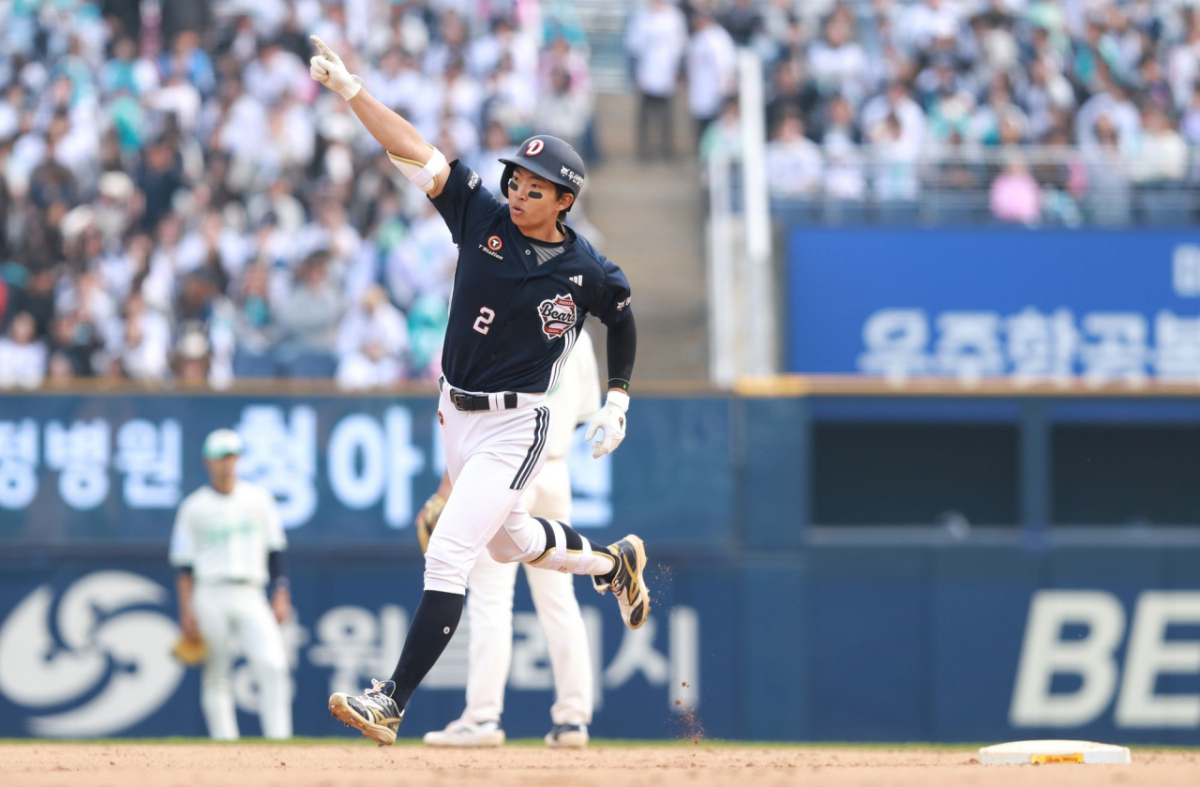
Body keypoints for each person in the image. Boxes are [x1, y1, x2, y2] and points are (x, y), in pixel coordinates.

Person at [308, 35, 648, 746]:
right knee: (514, 541)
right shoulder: (482, 216)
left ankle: (391, 700)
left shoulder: (585, 268)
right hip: (455, 412)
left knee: (449, 556)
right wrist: (352, 91)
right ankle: (612, 562)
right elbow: (414, 151)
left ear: (565, 200)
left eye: (534, 186)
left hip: (517, 426)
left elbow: (621, 316)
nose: (518, 191)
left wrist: (617, 397)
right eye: (516, 178)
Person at [419, 329, 601, 749]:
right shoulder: (581, 335)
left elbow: (478, 418)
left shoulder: (511, 317)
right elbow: (582, 416)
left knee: (490, 599)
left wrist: (449, 486)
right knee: (559, 601)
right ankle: (573, 719)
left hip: (507, 466)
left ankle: (483, 717)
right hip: (554, 469)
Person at [169, 429, 293, 740]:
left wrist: (281, 591)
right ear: (207, 462)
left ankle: (280, 741)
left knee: (273, 665)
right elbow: (184, 566)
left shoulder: (259, 498)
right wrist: (186, 611)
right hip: (210, 591)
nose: (227, 464)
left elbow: (275, 550)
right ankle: (225, 745)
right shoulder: (194, 506)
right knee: (217, 673)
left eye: (232, 457)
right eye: (221, 458)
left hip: (251, 591)